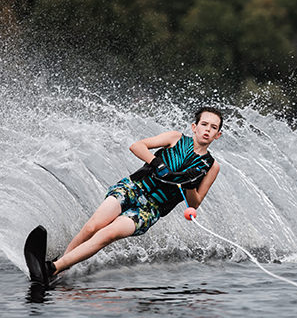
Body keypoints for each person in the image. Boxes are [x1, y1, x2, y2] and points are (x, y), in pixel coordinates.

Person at [45, 107, 224, 280]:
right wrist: (157, 164)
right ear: (195, 127)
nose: (207, 130)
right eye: (204, 124)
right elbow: (137, 146)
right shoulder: (175, 138)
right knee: (94, 226)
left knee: (109, 234)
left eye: (213, 127)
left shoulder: (211, 167)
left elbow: (194, 204)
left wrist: (190, 185)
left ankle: (55, 268)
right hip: (133, 187)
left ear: (218, 135)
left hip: (151, 208)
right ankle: (60, 266)